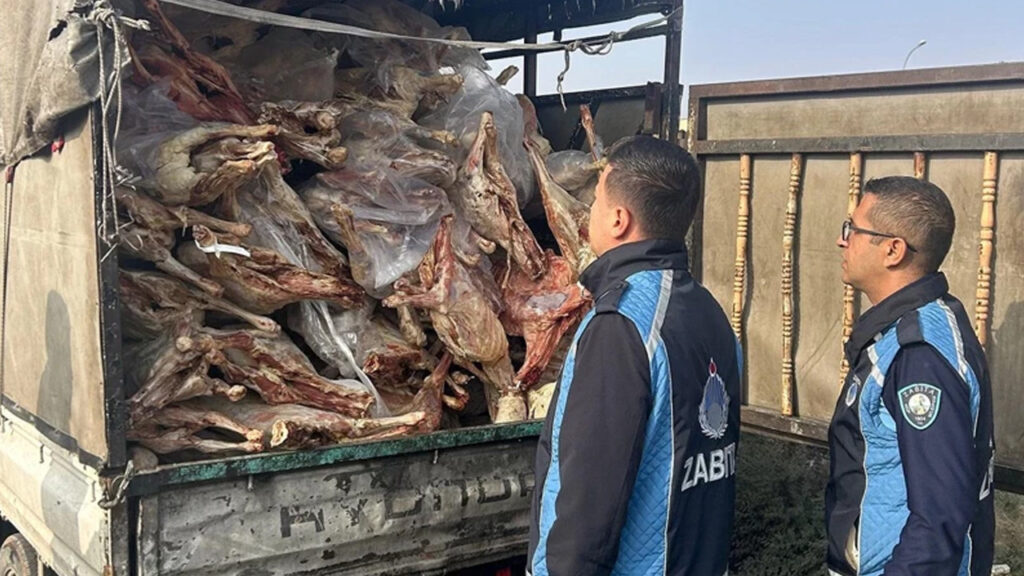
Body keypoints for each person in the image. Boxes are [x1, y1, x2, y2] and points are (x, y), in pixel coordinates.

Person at [527, 136, 741, 576]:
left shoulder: (621, 326)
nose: (590, 211)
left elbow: (590, 497)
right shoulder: (711, 314)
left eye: (596, 201)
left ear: (619, 220)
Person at [826, 176, 995, 576]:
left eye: (852, 229)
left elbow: (938, 521)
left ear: (893, 250)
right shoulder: (914, 328)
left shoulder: (920, 355)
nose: (841, 241)